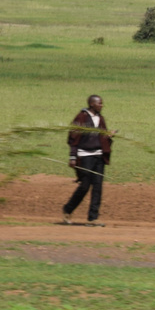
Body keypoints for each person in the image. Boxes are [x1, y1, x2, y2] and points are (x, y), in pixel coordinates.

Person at [62, 94, 113, 225]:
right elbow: (73, 138)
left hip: (99, 156)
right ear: (92, 104)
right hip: (84, 156)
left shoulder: (100, 118)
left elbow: (102, 135)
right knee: (84, 186)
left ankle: (93, 218)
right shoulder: (82, 117)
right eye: (99, 103)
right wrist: (73, 156)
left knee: (97, 187)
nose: (101, 105)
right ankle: (68, 209)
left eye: (101, 103)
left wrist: (108, 136)